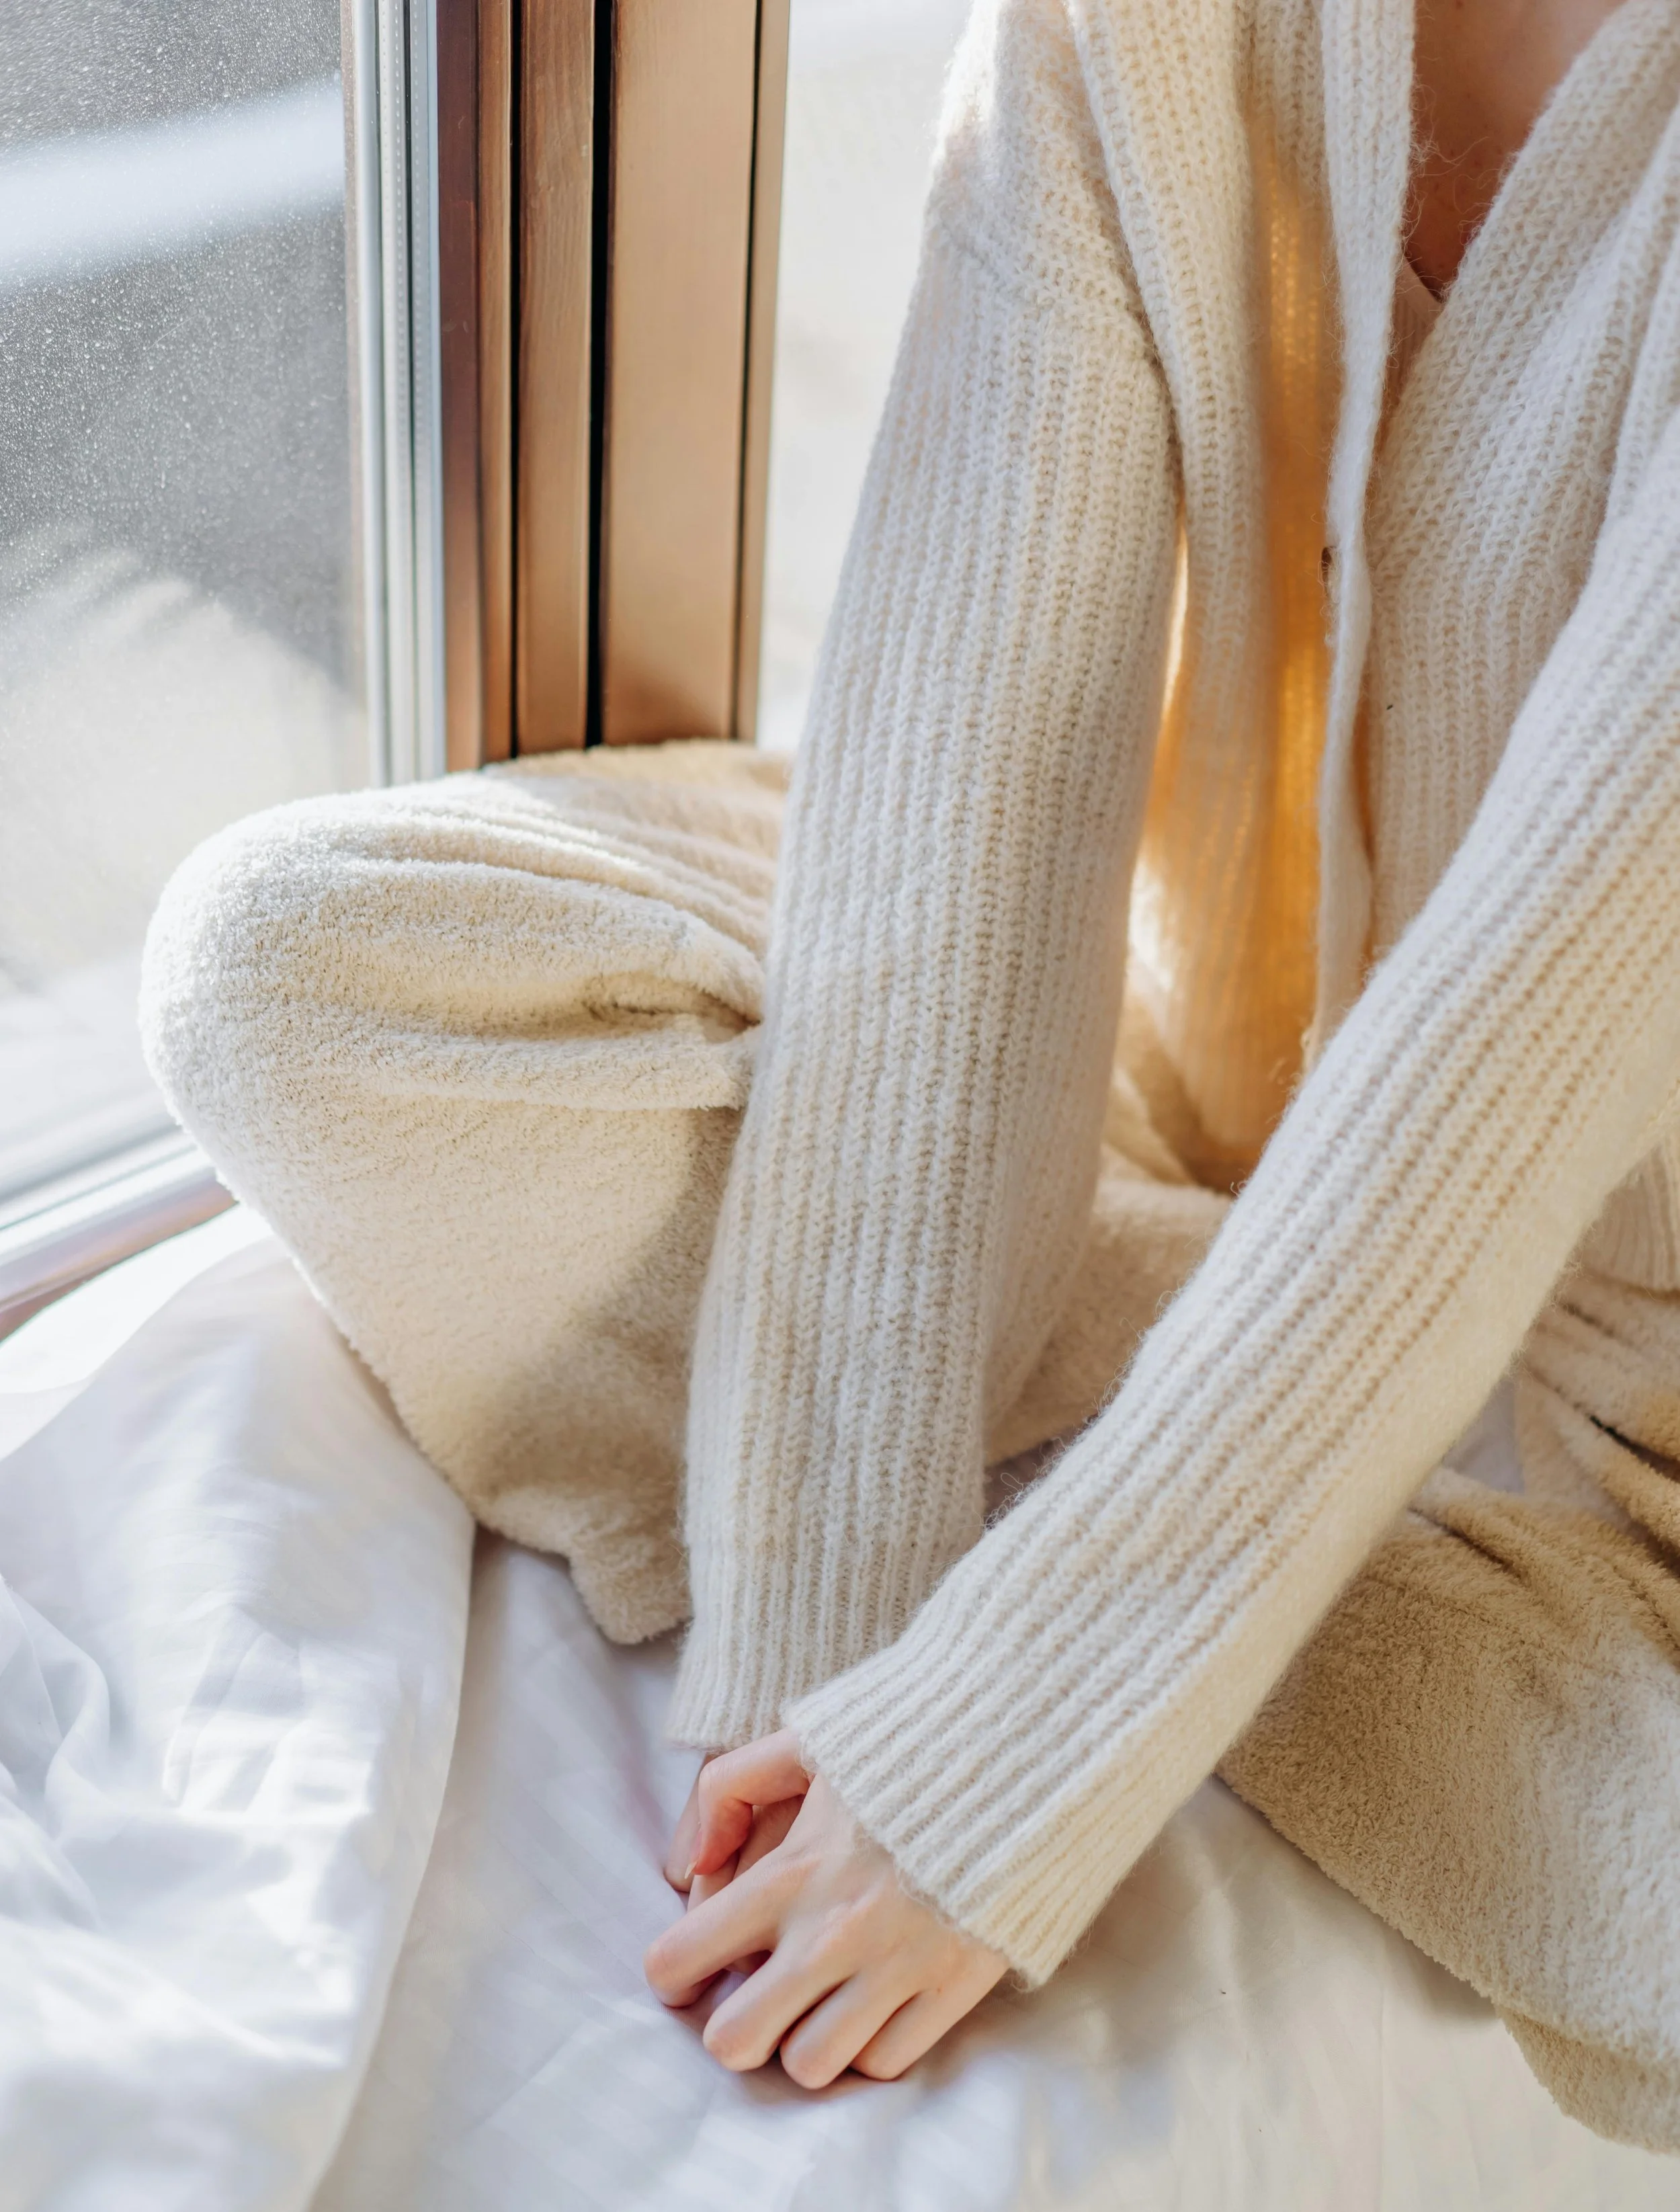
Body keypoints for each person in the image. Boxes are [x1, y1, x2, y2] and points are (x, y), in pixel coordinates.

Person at [141, 0, 1680, 2147]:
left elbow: (1549, 994)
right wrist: (812, 1643)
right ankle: (1189, 1482)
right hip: (1184, 1125)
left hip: (1640, 1440)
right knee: (307, 987)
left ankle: (1168, 1526)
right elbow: (957, 818)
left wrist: (1015, 1730)